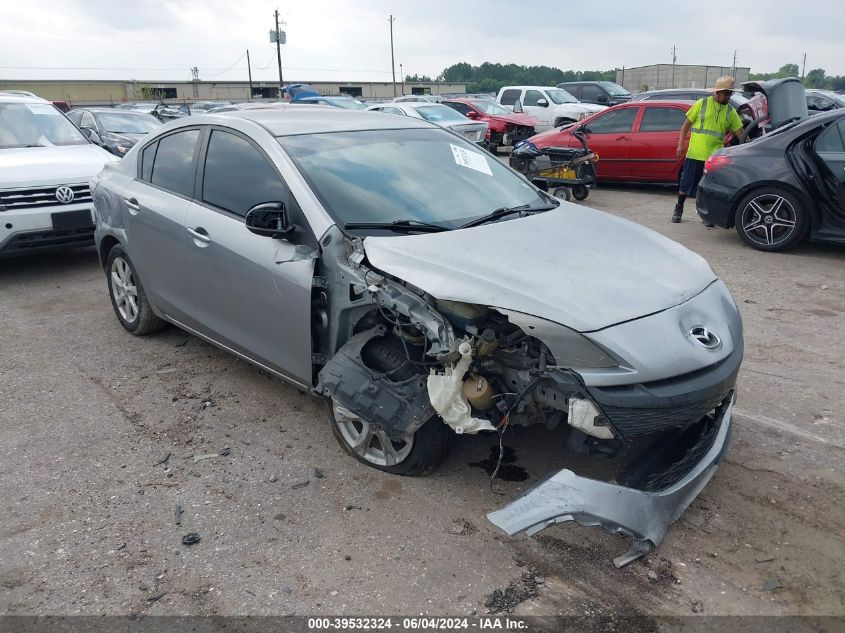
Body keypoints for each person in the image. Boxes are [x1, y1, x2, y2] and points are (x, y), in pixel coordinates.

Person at [672, 76, 744, 224]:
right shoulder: (702, 104)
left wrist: (752, 144)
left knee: (709, 189)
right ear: (717, 92)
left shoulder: (730, 112)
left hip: (714, 158)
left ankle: (707, 215)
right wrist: (680, 145)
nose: (729, 96)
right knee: (685, 185)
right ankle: (679, 208)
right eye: (726, 93)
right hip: (695, 154)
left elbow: (741, 133)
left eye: (730, 93)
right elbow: (686, 126)